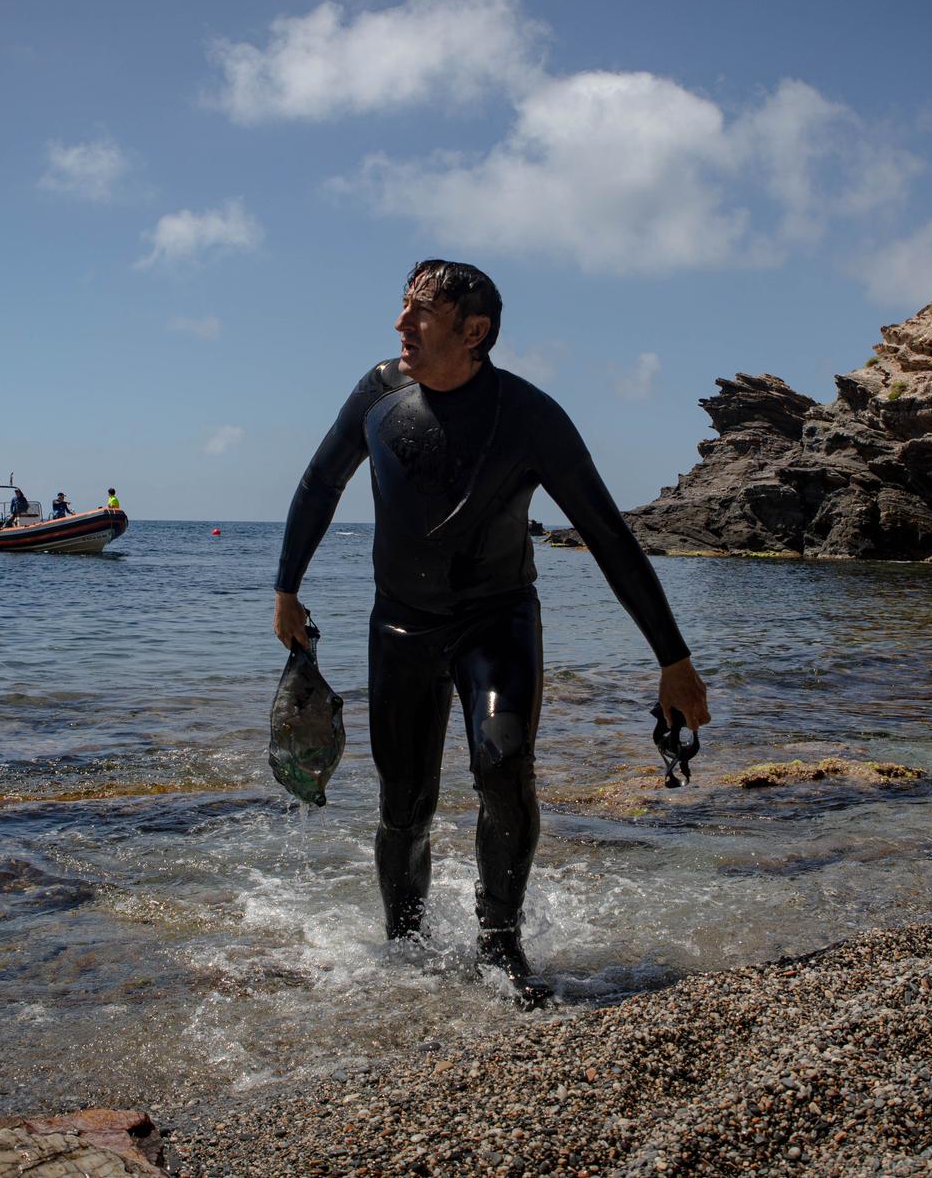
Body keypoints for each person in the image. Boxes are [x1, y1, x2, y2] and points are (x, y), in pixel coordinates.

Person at [272, 258, 710, 996]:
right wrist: (286, 586)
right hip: (401, 628)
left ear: (474, 332)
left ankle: (500, 946)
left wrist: (673, 658)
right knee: (403, 802)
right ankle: (405, 946)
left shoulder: (531, 417)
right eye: (403, 307)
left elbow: (607, 534)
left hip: (495, 622)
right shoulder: (378, 394)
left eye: (420, 313)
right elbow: (321, 481)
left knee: (502, 766)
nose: (401, 324)